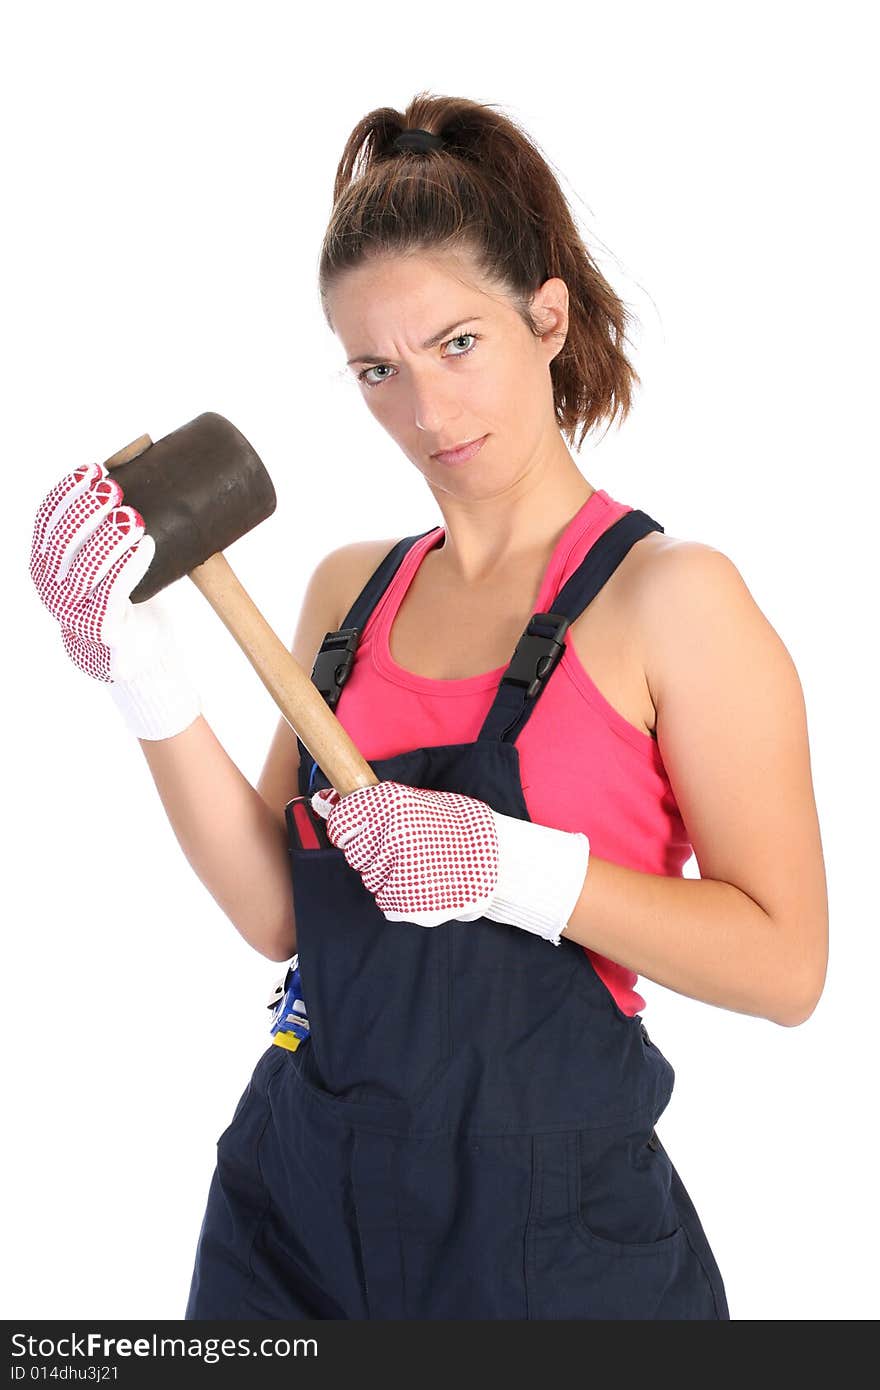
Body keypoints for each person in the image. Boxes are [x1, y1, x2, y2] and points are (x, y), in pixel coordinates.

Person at [29, 93, 828, 1320]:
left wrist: (515, 868)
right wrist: (142, 672)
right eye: (375, 369)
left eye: (457, 343)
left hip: (550, 1237)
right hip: (292, 1207)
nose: (424, 409)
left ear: (545, 315)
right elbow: (273, 914)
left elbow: (787, 966)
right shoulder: (348, 592)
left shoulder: (673, 599)